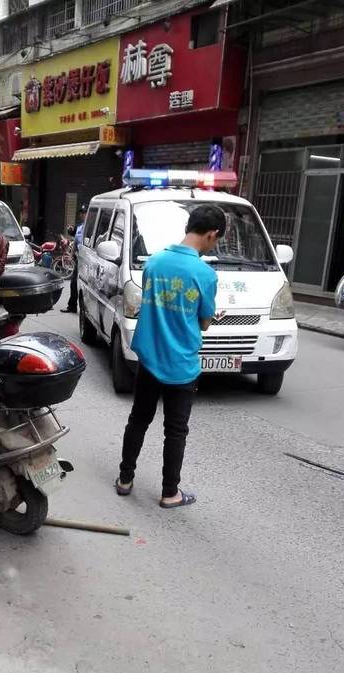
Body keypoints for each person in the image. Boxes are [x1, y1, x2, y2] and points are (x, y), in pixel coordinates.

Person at [116, 204, 226, 508]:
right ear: (211, 234)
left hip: (150, 358)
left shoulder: (154, 263)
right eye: (215, 240)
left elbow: (154, 305)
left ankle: (125, 479)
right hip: (181, 364)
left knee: (139, 419)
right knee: (175, 431)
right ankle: (169, 493)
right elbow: (203, 322)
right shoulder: (205, 274)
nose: (213, 245)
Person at [61, 204, 87, 314]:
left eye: (85, 213)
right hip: (79, 259)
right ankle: (72, 306)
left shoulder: (92, 227)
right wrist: (71, 255)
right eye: (82, 213)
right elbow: (76, 242)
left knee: (86, 286)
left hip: (88, 260)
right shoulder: (80, 227)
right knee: (73, 283)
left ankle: (86, 310)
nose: (83, 215)